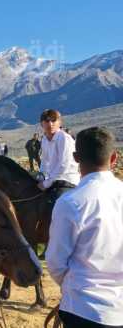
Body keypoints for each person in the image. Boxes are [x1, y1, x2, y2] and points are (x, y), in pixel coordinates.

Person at [46, 127, 123, 328]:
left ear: (76, 157)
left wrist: (73, 286)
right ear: (114, 157)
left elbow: (55, 262)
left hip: (83, 309)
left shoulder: (70, 202)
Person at [38, 109, 80, 192]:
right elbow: (45, 160)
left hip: (67, 180)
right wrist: (41, 176)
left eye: (53, 120)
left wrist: (46, 184)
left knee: (54, 201)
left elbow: (63, 165)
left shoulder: (64, 138)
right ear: (41, 124)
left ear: (59, 123)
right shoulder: (44, 140)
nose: (50, 124)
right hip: (52, 180)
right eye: (46, 121)